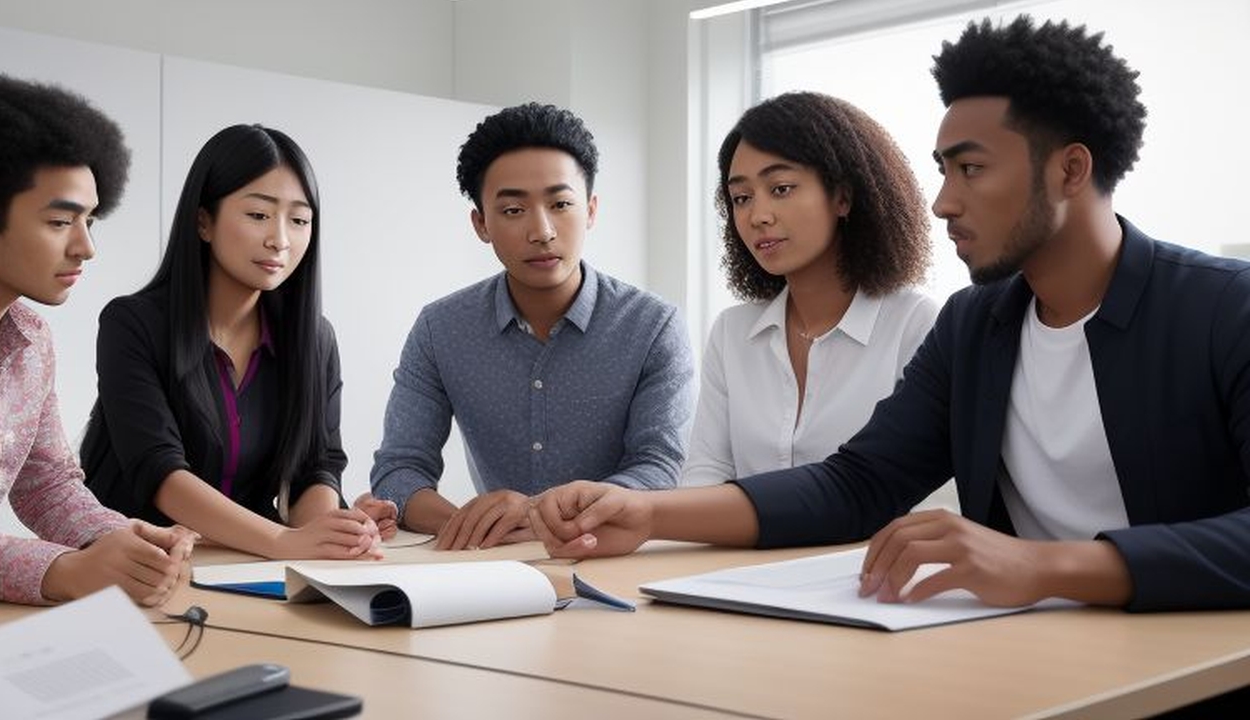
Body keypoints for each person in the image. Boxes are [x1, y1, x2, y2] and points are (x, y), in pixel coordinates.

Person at [528, 15, 1250, 613]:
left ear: (1070, 170)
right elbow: (857, 484)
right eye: (941, 171)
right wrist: (650, 515)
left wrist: (1047, 566)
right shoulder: (974, 325)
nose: (943, 202)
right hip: (1023, 651)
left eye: (970, 169)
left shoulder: (1225, 308)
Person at [364, 102, 694, 551]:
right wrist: (476, 523)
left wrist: (538, 515)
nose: (542, 231)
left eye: (560, 204)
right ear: (481, 223)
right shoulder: (440, 329)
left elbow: (658, 468)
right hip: (493, 563)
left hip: (614, 557)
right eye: (514, 210)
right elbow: (398, 472)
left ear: (591, 210)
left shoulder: (653, 326)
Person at [81, 124, 389, 560]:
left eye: (299, 220)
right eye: (259, 215)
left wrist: (328, 530)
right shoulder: (132, 323)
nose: (280, 239)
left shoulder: (314, 339)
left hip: (242, 562)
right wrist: (286, 542)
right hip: (134, 559)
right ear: (204, 221)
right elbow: (160, 472)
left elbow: (315, 467)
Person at [0, 73, 195, 606]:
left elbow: (46, 483)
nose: (86, 248)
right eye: (59, 222)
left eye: (90, 221)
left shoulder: (30, 339)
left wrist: (118, 538)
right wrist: (64, 570)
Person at [683, 91, 935, 487]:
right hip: (742, 548)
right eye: (741, 198)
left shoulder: (914, 324)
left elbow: (902, 484)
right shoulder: (732, 331)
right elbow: (706, 471)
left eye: (781, 188)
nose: (758, 216)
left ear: (843, 196)